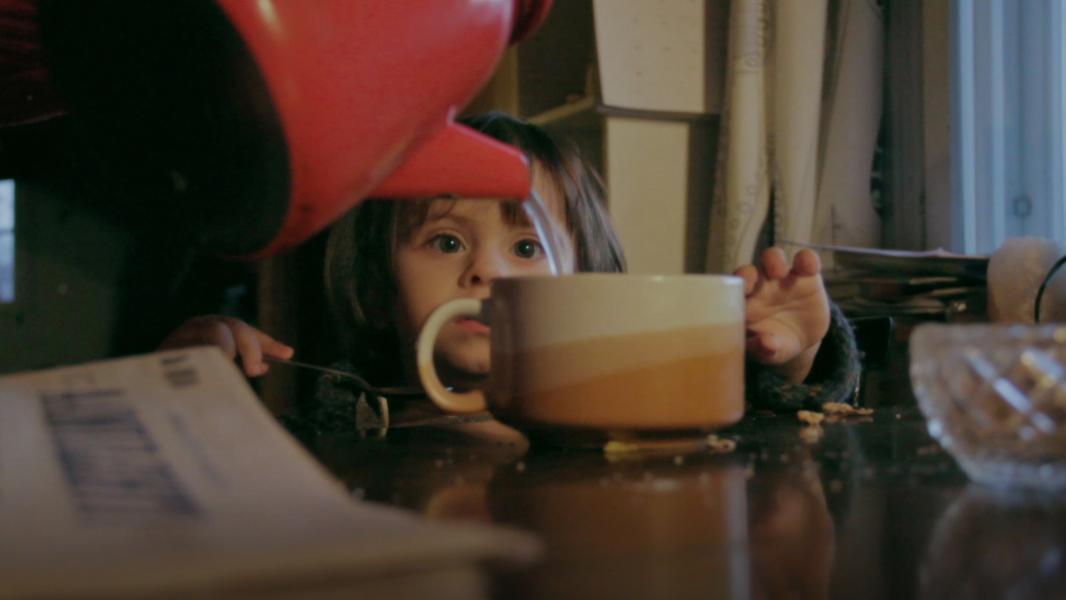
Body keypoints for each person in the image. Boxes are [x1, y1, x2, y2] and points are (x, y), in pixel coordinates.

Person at [160, 112, 860, 433]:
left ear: (585, 287)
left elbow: (759, 425)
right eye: (444, 242)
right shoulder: (334, 435)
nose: (486, 274)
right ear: (376, 288)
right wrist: (178, 399)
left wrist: (791, 362)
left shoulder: (633, 408)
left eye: (526, 249)